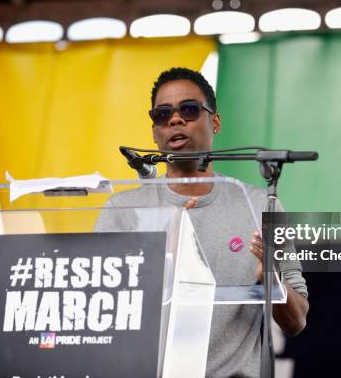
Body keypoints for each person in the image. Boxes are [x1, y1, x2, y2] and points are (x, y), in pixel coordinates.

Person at [96, 67, 309, 377]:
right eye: (162, 114)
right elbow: (99, 317)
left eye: (189, 109)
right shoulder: (123, 209)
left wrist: (272, 283)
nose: (175, 120)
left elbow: (297, 322)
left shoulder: (260, 205)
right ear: (155, 132)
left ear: (216, 121)